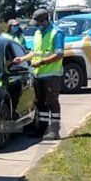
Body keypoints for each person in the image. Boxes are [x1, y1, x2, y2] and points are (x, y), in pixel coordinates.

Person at [14, 8, 64, 141]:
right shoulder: (37, 33)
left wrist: (42, 62)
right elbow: (34, 53)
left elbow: (59, 54)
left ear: (45, 21)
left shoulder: (56, 33)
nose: (36, 26)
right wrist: (22, 59)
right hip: (38, 75)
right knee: (40, 102)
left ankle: (54, 130)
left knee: (52, 102)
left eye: (37, 23)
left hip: (52, 75)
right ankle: (42, 129)